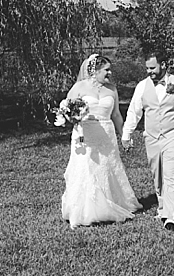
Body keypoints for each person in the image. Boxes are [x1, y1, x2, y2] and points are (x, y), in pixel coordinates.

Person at [60, 53, 142, 228]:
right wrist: (72, 118)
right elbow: (67, 109)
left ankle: (110, 203)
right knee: (85, 169)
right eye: (106, 69)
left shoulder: (112, 90)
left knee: (106, 169)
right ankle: (83, 210)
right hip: (85, 135)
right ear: (94, 70)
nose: (110, 73)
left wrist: (124, 136)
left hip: (106, 134)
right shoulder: (79, 87)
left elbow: (116, 114)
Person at [121, 54, 174, 231]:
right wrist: (127, 134)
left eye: (152, 68)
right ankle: (162, 207)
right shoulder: (142, 86)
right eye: (147, 68)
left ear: (163, 65)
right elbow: (134, 112)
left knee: (171, 174)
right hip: (152, 137)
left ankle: (170, 216)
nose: (149, 72)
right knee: (158, 175)